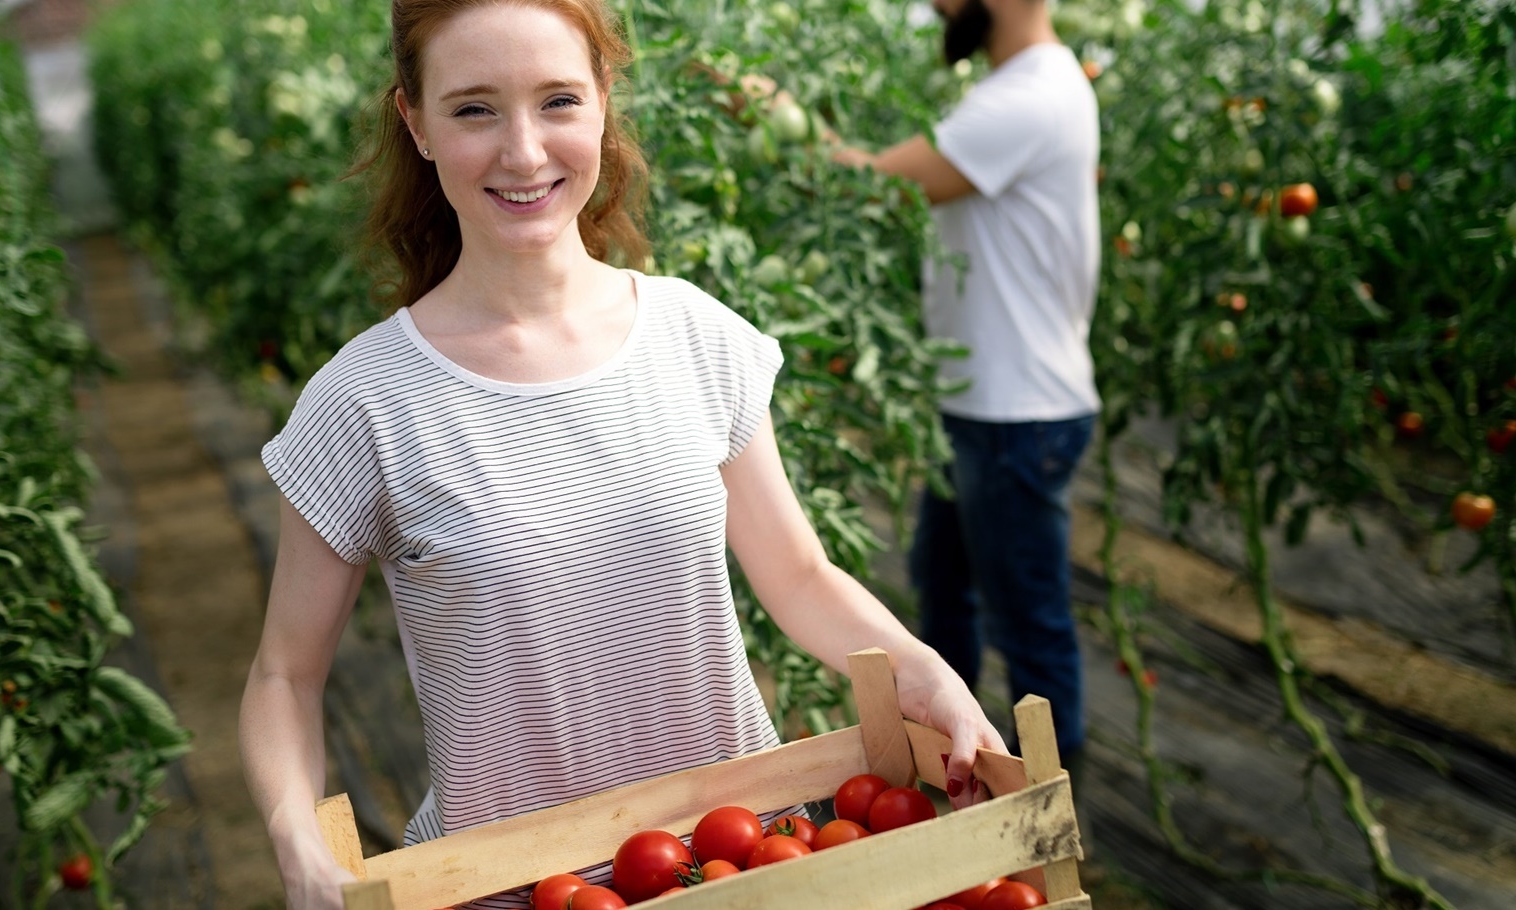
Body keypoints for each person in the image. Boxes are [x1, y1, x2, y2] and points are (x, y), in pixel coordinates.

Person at [237, 1, 1007, 908]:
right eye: (474, 109)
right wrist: (296, 836)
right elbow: (285, 674)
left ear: (604, 99)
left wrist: (921, 669)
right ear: (415, 122)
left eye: (557, 100)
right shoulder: (364, 401)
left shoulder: (691, 335)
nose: (523, 152)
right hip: (514, 886)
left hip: (741, 863)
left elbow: (797, 574)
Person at [831, 0, 1101, 778]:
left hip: (1015, 414)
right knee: (945, 600)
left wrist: (779, 119)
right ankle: (965, 787)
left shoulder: (1030, 95)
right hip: (987, 406)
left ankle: (1051, 828)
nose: (936, 3)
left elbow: (880, 188)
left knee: (1031, 631)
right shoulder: (1023, 86)